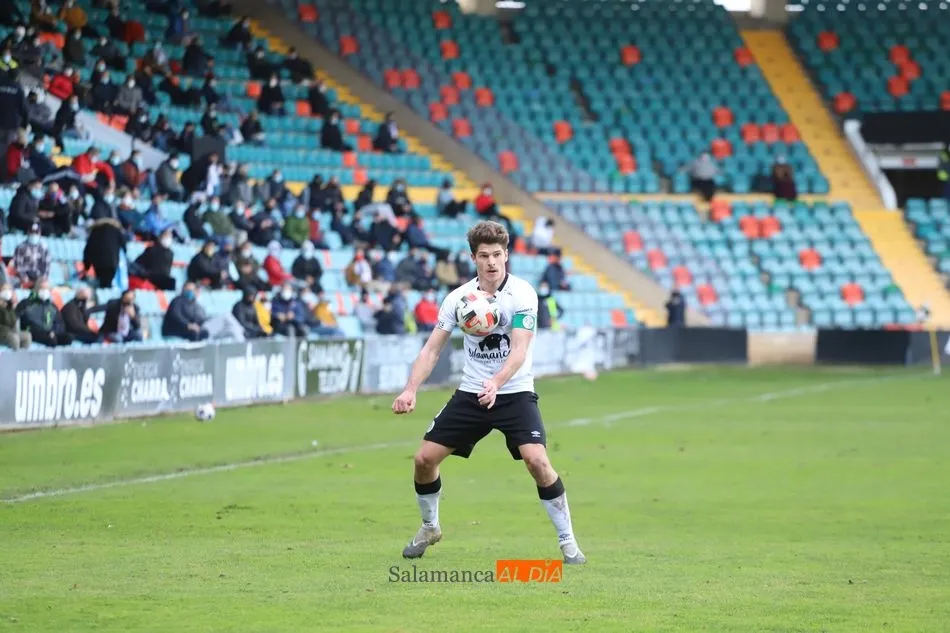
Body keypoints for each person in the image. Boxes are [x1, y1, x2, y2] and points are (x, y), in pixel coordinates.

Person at [390, 220, 585, 564]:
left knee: (537, 461)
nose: (492, 262)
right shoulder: (457, 299)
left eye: (497, 254)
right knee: (424, 460)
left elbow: (520, 349)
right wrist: (410, 389)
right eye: (484, 256)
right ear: (473, 258)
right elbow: (432, 349)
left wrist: (497, 382)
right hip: (472, 393)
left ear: (506, 255)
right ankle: (430, 527)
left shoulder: (523, 294)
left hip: (514, 391)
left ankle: (568, 542)